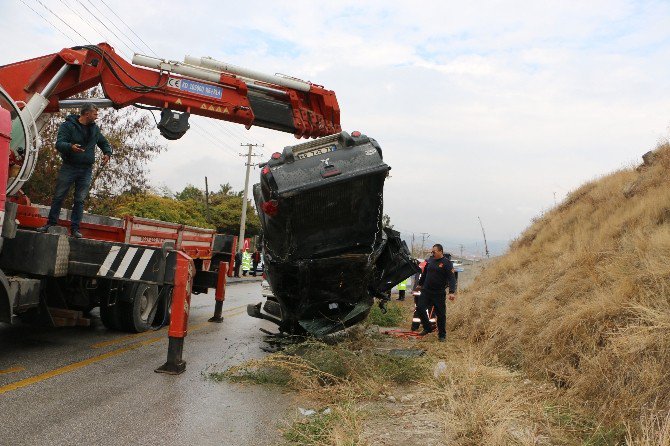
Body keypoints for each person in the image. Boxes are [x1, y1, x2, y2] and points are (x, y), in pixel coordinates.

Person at [36, 104, 112, 238]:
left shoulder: (95, 129)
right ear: (87, 114)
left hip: (86, 169)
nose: (97, 116)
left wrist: (107, 153)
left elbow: (104, 142)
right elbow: (59, 144)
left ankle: (75, 229)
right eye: (95, 114)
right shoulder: (68, 126)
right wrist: (70, 147)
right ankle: (51, 224)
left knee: (80, 200)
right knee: (59, 196)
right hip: (69, 166)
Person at [414, 244, 457, 342]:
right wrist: (420, 285)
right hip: (426, 291)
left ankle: (442, 335)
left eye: (434, 252)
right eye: (432, 252)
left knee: (441, 315)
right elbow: (425, 274)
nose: (432, 253)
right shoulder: (430, 261)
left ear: (441, 251)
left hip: (438, 293)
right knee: (420, 308)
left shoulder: (447, 263)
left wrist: (451, 291)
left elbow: (451, 278)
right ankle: (428, 328)